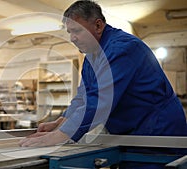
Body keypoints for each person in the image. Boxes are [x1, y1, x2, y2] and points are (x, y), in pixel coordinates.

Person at [19, 0, 187, 168]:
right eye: (69, 32)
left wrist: (61, 135)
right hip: (129, 134)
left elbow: (100, 101)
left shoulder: (123, 49)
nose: (72, 38)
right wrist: (61, 121)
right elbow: (83, 97)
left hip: (157, 132)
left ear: (98, 26)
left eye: (77, 30)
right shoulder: (91, 57)